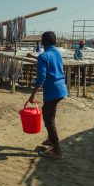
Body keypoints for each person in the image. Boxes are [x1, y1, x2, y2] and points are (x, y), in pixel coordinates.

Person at [28, 31, 68, 159]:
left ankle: (56, 150)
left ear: (42, 42)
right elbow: (48, 61)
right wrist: (34, 57)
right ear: (55, 42)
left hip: (52, 90)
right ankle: (51, 140)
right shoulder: (57, 53)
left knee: (49, 119)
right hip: (61, 88)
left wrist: (32, 95)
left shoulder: (43, 56)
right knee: (49, 113)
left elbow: (40, 79)